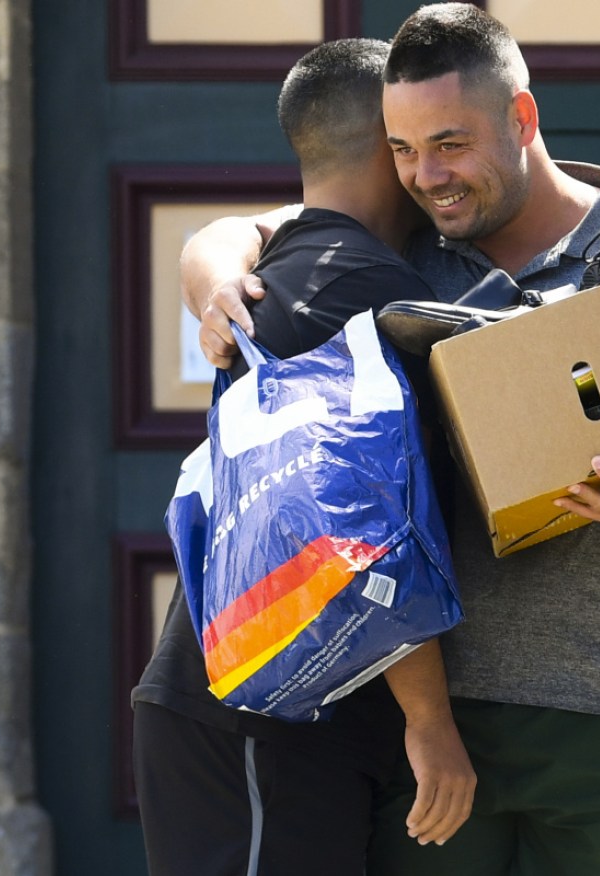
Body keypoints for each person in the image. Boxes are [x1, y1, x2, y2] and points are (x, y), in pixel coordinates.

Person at [181, 6, 600, 874]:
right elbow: (256, 229)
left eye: (450, 144)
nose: (426, 175)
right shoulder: (406, 250)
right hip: (437, 731)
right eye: (401, 151)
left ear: (522, 118)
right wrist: (213, 285)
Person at [131, 38, 476, 876]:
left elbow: (249, 227)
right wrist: (429, 723)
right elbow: (355, 527)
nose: (427, 168)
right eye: (409, 142)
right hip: (260, 727)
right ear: (384, 147)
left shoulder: (302, 262)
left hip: (281, 716)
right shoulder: (350, 289)